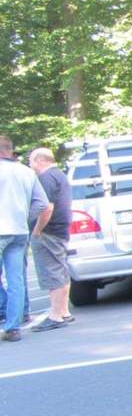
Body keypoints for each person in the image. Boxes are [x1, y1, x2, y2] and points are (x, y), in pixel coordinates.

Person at [0, 136, 50, 342]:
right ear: (10, 150)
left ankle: (4, 309)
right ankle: (14, 327)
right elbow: (42, 203)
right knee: (17, 280)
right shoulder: (27, 172)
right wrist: (24, 217)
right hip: (19, 231)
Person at [28, 148, 73, 331]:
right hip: (61, 229)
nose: (30, 165)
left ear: (40, 160)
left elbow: (47, 207)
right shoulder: (59, 175)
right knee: (61, 271)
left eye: (31, 161)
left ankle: (55, 316)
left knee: (51, 271)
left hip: (49, 231)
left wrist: (37, 230)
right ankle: (64, 311)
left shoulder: (46, 178)